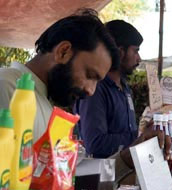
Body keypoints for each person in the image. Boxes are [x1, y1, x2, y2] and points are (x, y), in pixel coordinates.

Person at [0, 9, 118, 140]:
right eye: (89, 75)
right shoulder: (7, 87)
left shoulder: (42, 99)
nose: (91, 91)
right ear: (63, 52)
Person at [74, 20, 142, 158]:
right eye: (135, 51)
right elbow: (95, 144)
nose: (139, 59)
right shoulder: (94, 90)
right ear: (121, 52)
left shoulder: (125, 88)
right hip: (102, 177)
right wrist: (139, 137)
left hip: (125, 174)